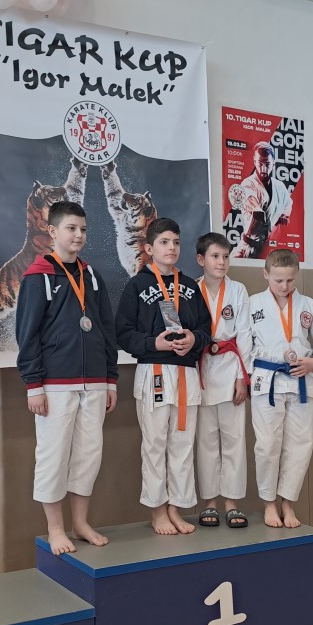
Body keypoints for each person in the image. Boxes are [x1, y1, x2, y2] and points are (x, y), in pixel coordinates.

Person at [16, 200, 118, 555]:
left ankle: (80, 523)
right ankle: (55, 529)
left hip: (95, 382)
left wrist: (110, 378)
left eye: (83, 229)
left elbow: (105, 329)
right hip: (55, 384)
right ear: (52, 231)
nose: (78, 235)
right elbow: (27, 334)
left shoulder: (92, 276)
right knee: (53, 455)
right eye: (71, 228)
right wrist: (33, 385)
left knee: (89, 455)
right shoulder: (38, 276)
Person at [115, 218, 212, 535]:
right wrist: (151, 344)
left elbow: (206, 329)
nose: (171, 248)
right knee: (155, 444)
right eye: (164, 242)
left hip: (185, 373)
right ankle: (157, 510)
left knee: (182, 444)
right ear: (149, 248)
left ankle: (176, 508)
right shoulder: (137, 285)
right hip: (154, 371)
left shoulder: (190, 287)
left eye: (176, 242)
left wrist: (193, 339)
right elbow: (122, 332)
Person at [248, 248, 313, 528]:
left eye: (290, 280)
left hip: (301, 380)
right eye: (278, 280)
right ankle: (269, 503)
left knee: (300, 444)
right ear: (266, 274)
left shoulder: (308, 305)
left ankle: (288, 503)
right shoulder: (253, 304)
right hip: (267, 380)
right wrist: (246, 377)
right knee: (267, 445)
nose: (284, 286)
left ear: (296, 275)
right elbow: (243, 345)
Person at [193, 232, 253, 529]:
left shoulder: (238, 290)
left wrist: (244, 377)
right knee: (205, 440)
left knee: (234, 438)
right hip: (202, 369)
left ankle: (232, 502)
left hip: (231, 367)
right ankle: (210, 502)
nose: (221, 262)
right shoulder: (191, 289)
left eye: (226, 257)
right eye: (215, 256)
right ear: (201, 259)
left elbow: (245, 335)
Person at [233, 142, 293, 260]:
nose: (264, 169)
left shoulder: (280, 187)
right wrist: (256, 210)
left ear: (273, 163)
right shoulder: (248, 184)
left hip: (271, 250)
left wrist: (285, 215)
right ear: (254, 161)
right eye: (260, 164)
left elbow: (288, 204)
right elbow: (251, 202)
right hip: (248, 248)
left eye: (267, 164)